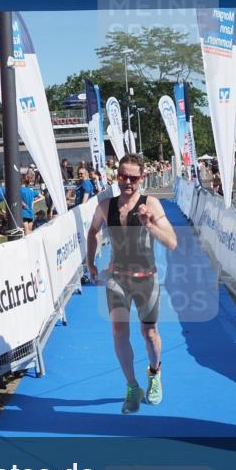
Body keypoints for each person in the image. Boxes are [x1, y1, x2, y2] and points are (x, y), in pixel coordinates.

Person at [86, 155, 178, 414]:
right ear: (117, 176)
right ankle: (131, 385)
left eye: (133, 178)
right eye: (123, 176)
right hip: (117, 279)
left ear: (142, 179)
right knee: (118, 332)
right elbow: (92, 232)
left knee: (149, 334)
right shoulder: (105, 206)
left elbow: (172, 242)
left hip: (146, 279)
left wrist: (150, 225)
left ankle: (154, 372)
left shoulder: (152, 204)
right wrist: (90, 263)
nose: (127, 182)